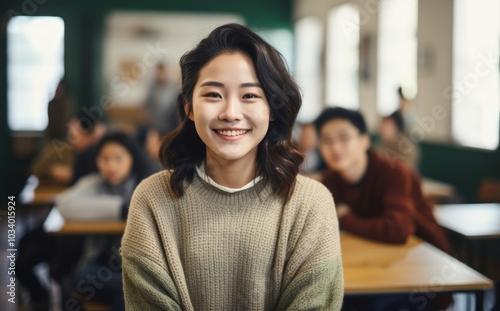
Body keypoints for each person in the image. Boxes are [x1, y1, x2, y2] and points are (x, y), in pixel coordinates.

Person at [121, 23, 344, 310]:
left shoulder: (311, 203)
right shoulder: (152, 199)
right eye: (213, 95)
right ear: (189, 106)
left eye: (250, 95)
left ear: (272, 109)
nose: (230, 113)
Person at [314, 107, 451, 311]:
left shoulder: (394, 173)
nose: (335, 147)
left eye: (344, 138)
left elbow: (398, 229)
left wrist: (346, 218)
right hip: (371, 264)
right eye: (327, 140)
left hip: (422, 269)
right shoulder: (330, 180)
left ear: (364, 140)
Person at [55, 132, 158, 311]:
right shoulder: (94, 183)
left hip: (137, 264)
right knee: (113, 284)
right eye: (104, 158)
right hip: (98, 264)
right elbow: (64, 204)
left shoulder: (145, 184)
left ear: (131, 158)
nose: (111, 166)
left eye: (118, 159)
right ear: (96, 161)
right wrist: (120, 209)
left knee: (127, 288)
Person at [144, 63, 181, 135]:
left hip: (171, 123)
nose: (160, 75)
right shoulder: (152, 88)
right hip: (155, 124)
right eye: (158, 72)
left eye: (162, 72)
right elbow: (147, 105)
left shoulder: (173, 87)